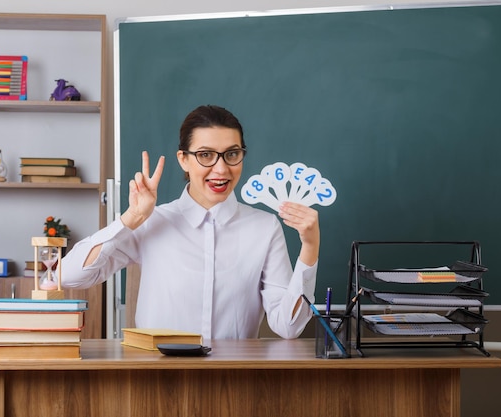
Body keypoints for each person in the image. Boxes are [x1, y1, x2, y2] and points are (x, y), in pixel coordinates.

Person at [62, 105, 320, 340]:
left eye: (232, 154)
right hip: (159, 378)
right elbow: (70, 276)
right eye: (206, 155)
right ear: (183, 159)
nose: (220, 169)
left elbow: (289, 327)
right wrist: (132, 218)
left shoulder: (264, 227)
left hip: (234, 382)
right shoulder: (152, 221)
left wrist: (310, 247)